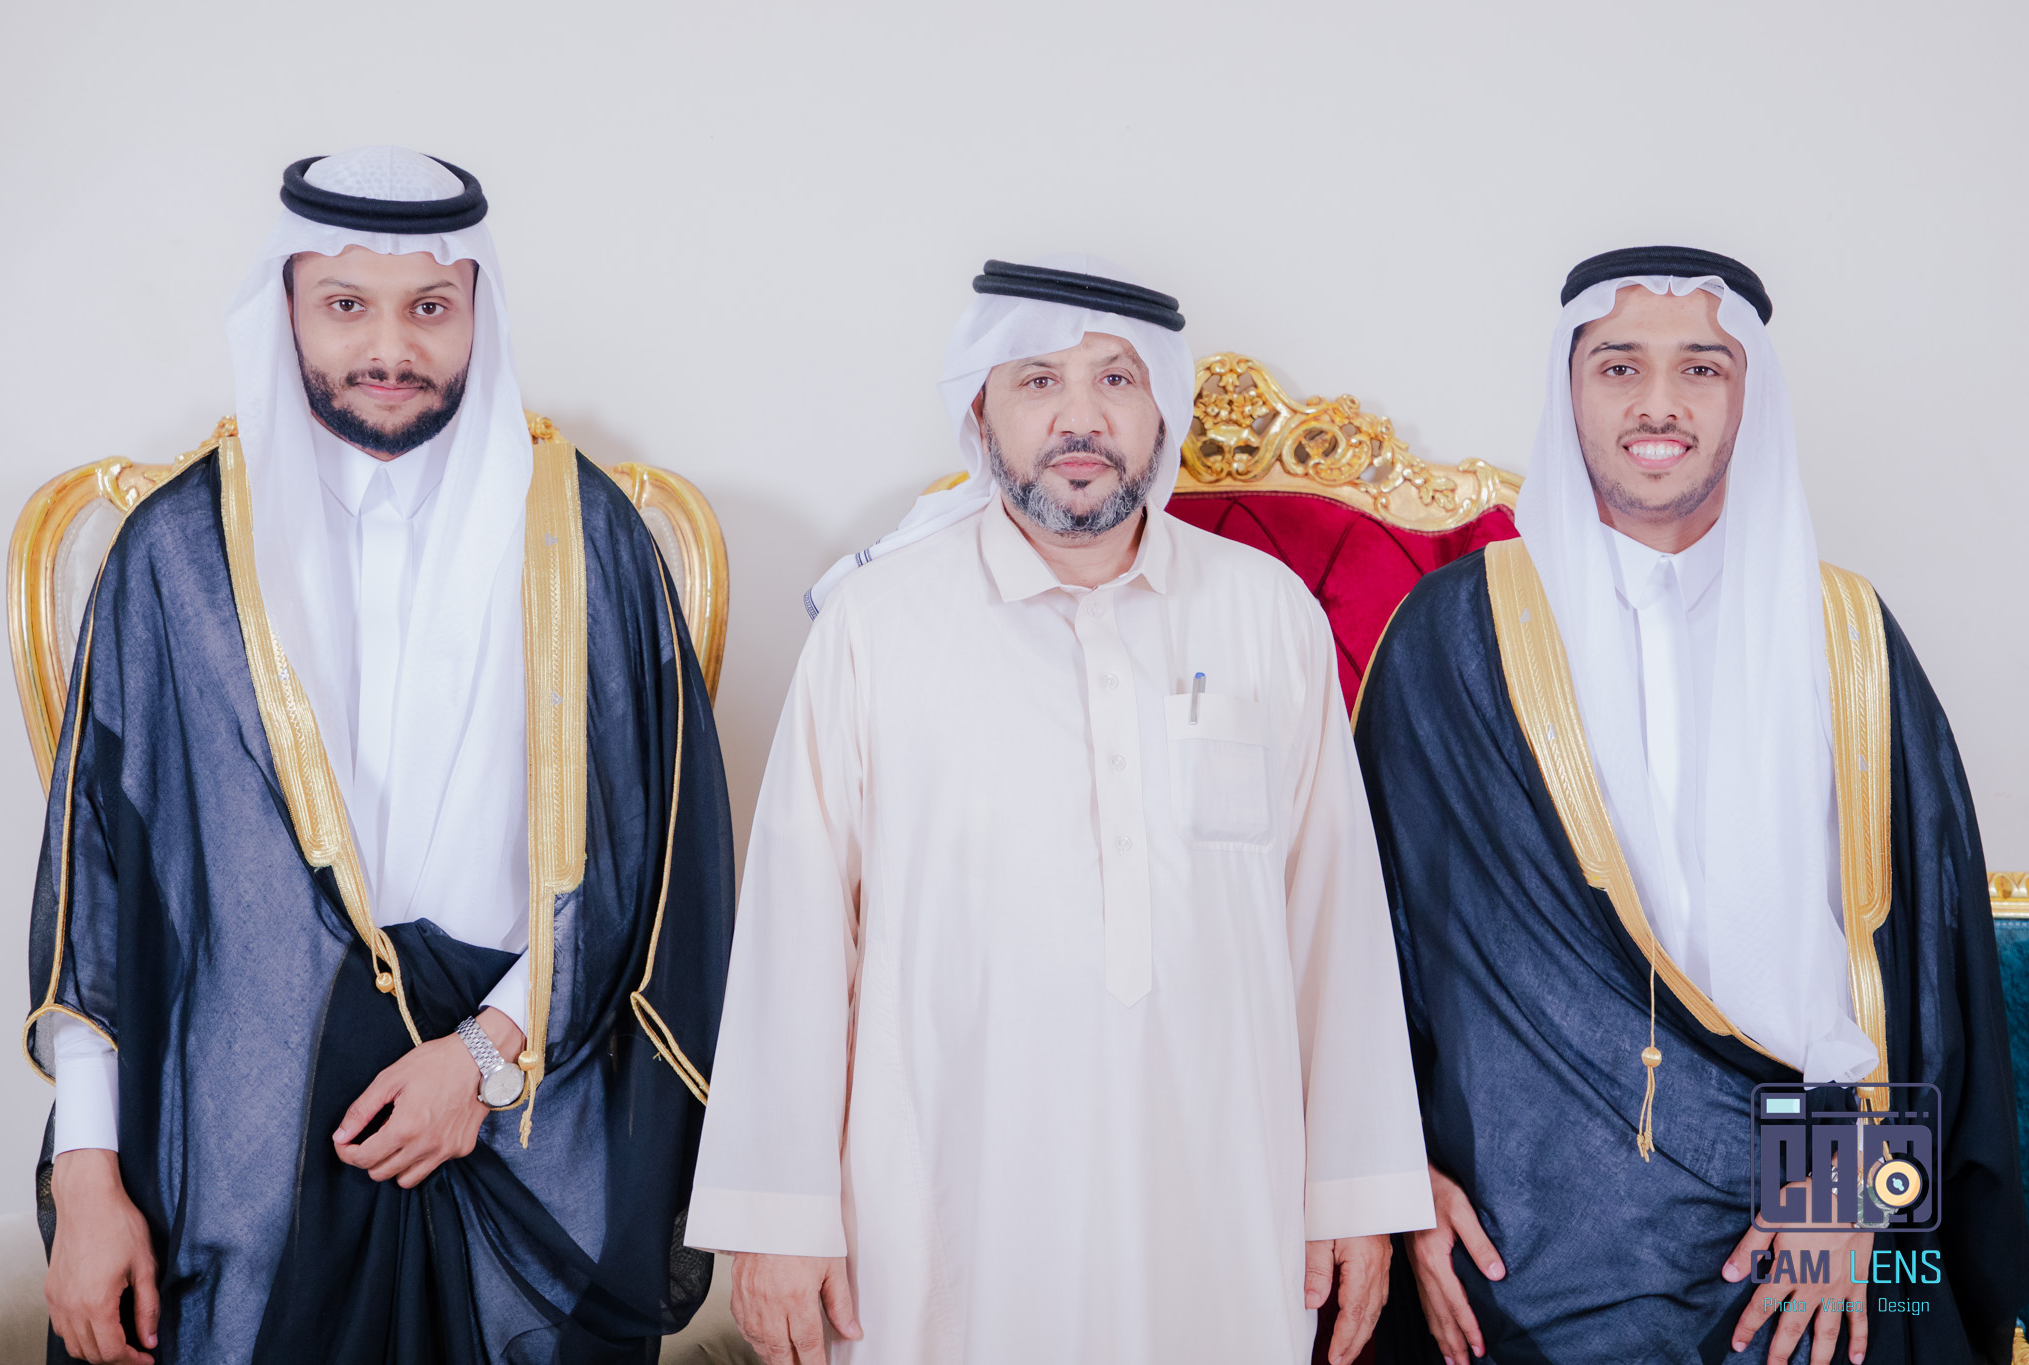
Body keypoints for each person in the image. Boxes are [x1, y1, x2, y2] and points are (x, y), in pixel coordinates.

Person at [26, 146, 734, 1365]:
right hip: (239, 1156)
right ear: (288, 309)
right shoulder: (177, 556)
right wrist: (87, 1184)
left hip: (524, 1134)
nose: (389, 347)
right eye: (347, 305)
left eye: (429, 308)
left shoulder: (587, 540)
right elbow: (100, 891)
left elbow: (650, 862)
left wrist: (484, 1057)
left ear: (477, 313)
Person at [685, 257, 1434, 1365]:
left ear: (1162, 410)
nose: (1079, 418)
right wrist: (779, 1214)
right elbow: (796, 929)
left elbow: (1335, 919)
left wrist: (1355, 1190)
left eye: (1116, 380)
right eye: (1038, 381)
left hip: (1221, 1190)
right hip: (941, 1200)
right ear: (980, 414)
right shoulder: (877, 626)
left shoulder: (1265, 614)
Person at [1353, 246, 2029, 1364]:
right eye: (1618, 366)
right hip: (1522, 1226)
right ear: (1569, 391)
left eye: (1701, 368)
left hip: (1809, 1209)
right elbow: (1364, 946)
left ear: (1748, 397)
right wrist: (1392, 1179)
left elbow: (1922, 967)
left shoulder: (1847, 639)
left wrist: (1855, 1195)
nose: (1658, 404)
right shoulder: (1454, 636)